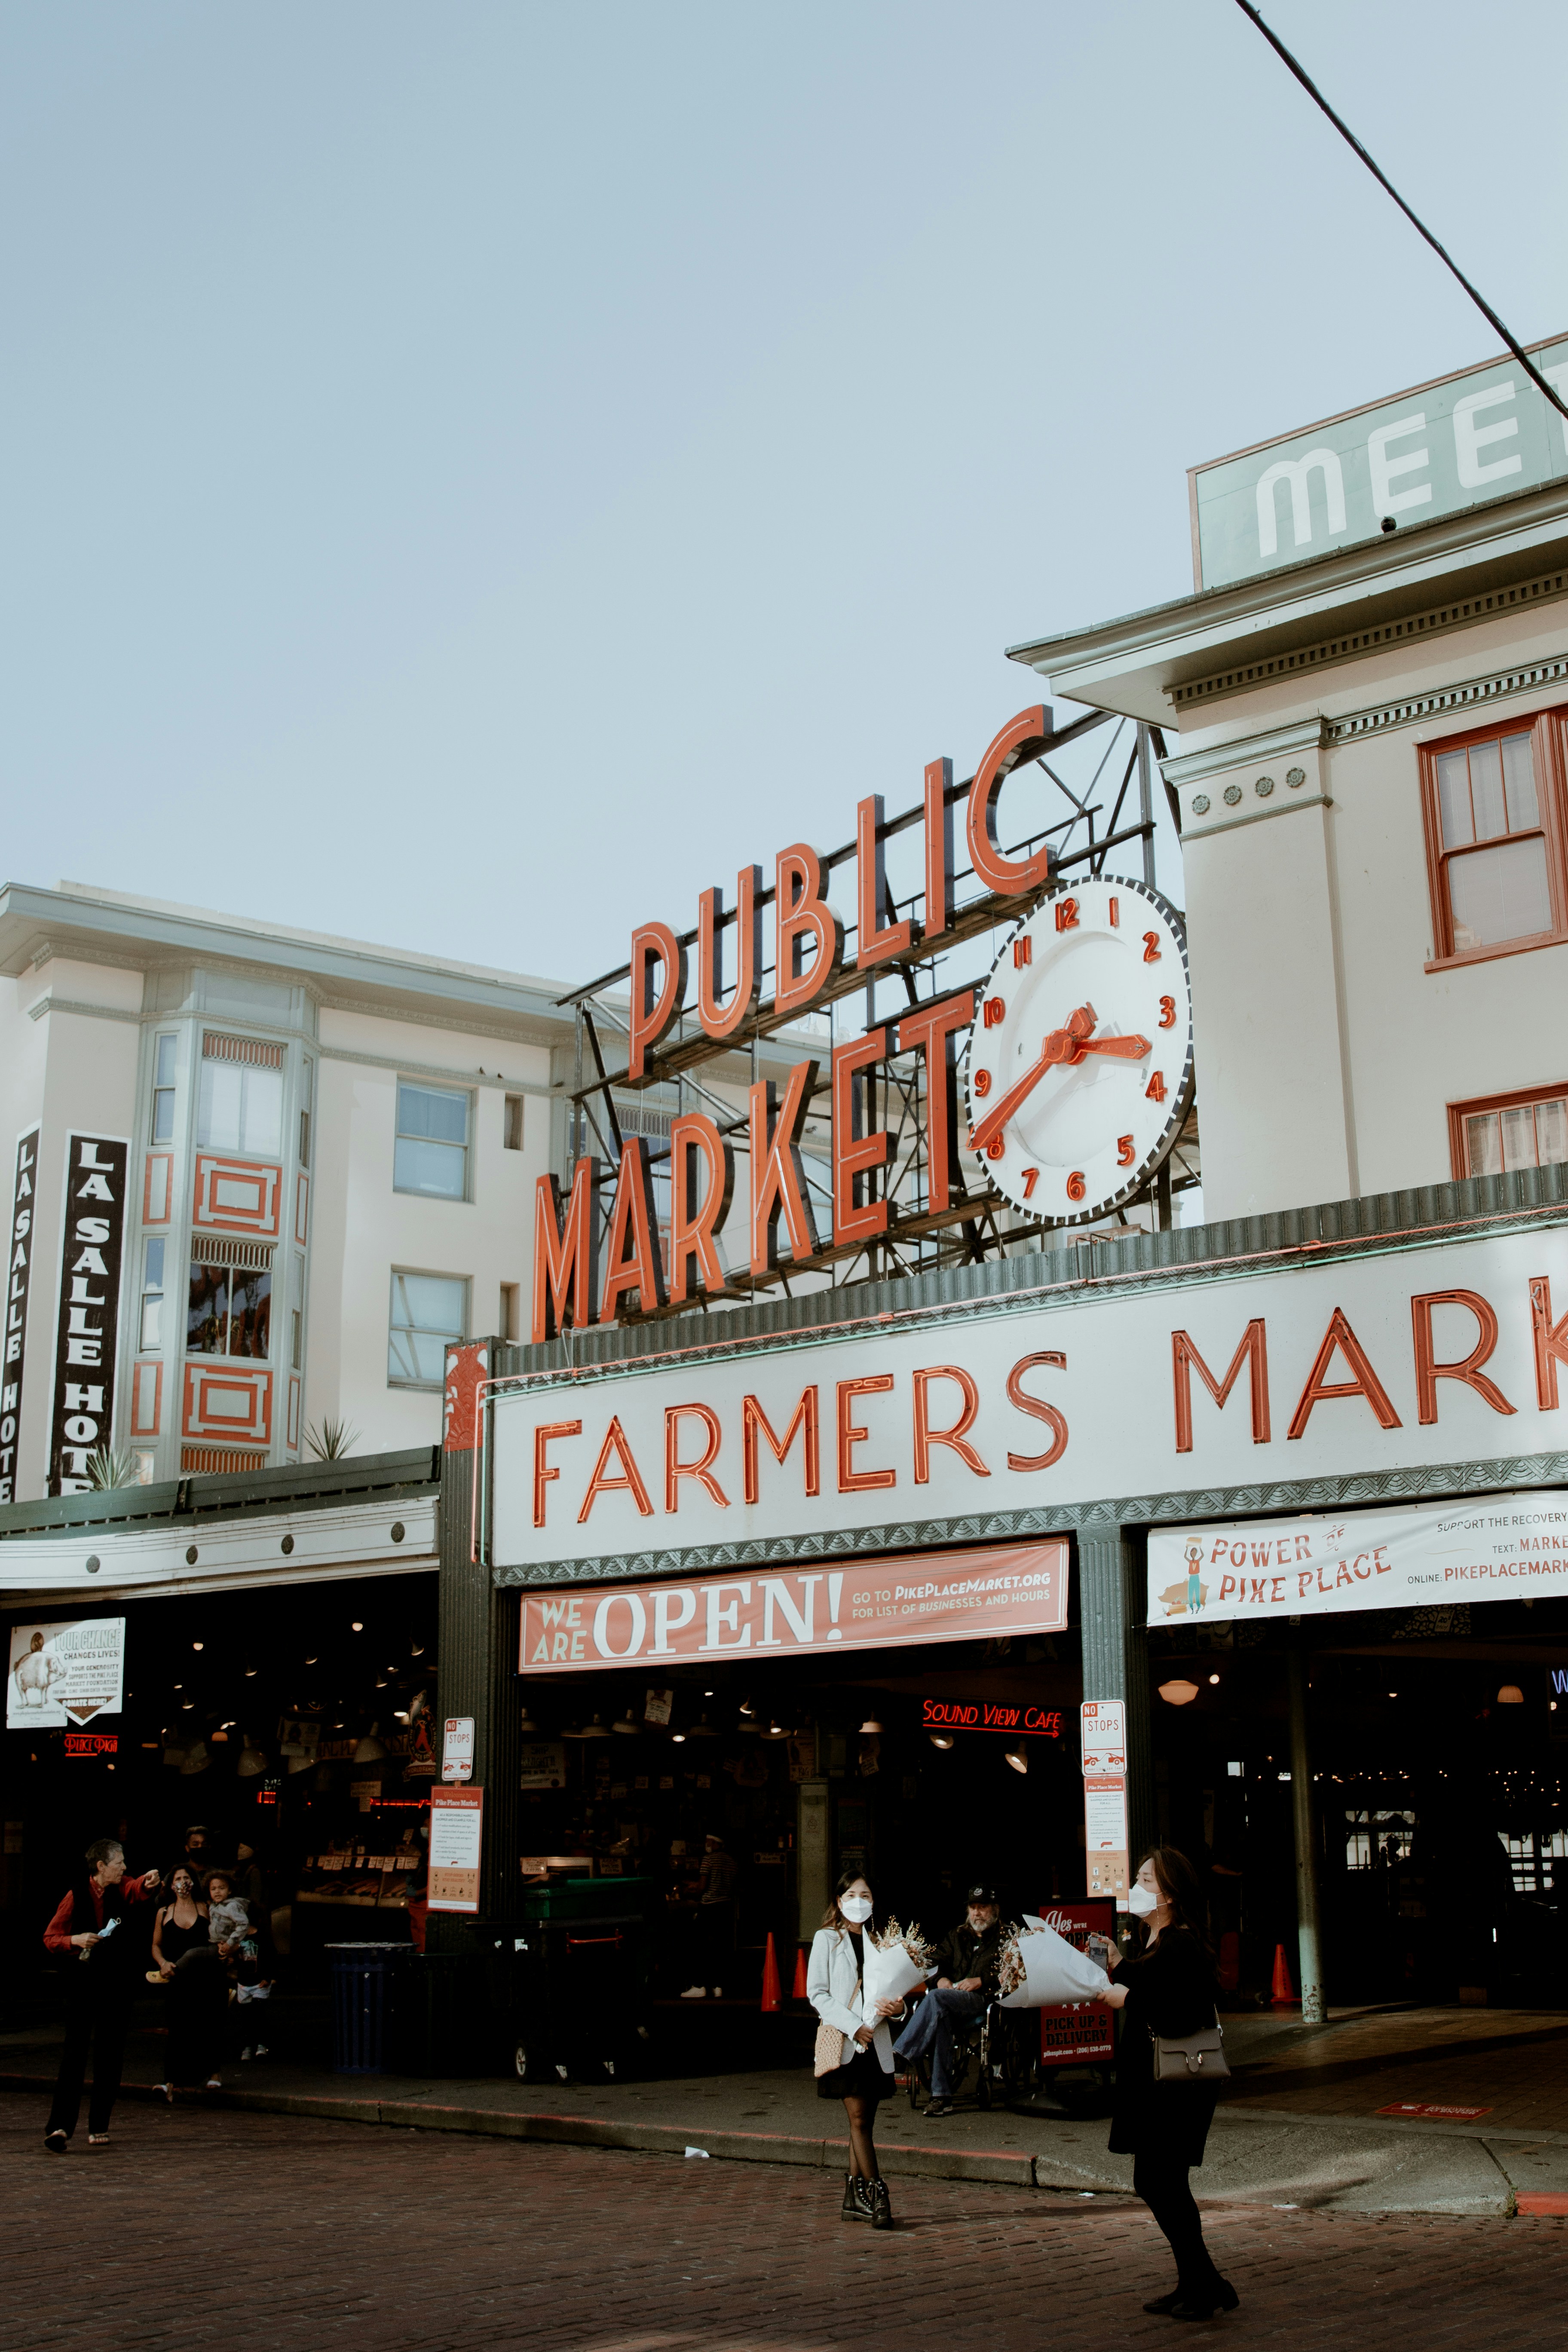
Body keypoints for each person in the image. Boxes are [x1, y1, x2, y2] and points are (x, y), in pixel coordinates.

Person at [1099, 1847, 1238, 2321]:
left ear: (1172, 1894)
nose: (1137, 1888)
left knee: (1160, 2181)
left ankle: (1205, 2283)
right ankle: (1200, 2283)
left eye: (1148, 1881)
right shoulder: (1158, 1942)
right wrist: (1119, 1964)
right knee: (1164, 2182)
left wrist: (1128, 1997)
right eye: (1137, 1878)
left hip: (1178, 2086)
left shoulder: (1180, 1942)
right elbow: (1150, 1982)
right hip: (1160, 2083)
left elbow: (1177, 2010)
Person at [42, 1835, 162, 2151]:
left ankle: (99, 2125)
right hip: (83, 1983)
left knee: (110, 2052)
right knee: (74, 2054)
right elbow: (51, 1937)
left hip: (116, 1982)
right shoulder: (77, 1894)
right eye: (119, 1863)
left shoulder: (121, 1886)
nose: (124, 1868)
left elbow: (138, 1890)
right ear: (101, 1866)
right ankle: (60, 2127)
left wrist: (149, 1883)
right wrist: (76, 1940)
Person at [806, 1870, 909, 2229]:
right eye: (850, 1895)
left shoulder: (883, 1942)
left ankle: (853, 2196)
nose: (858, 1901)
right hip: (849, 2043)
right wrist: (855, 2027)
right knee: (859, 2121)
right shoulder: (827, 1939)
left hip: (877, 2044)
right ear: (838, 1901)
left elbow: (896, 1994)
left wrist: (899, 2010)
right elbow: (817, 1994)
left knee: (864, 2122)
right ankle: (879, 2194)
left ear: (874, 1902)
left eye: (865, 1895)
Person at [893, 1882, 1004, 2119]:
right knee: (940, 2014)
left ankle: (902, 2053)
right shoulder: (957, 1936)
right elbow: (933, 1963)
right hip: (947, 2001)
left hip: (980, 2001)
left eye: (982, 1907)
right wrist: (941, 1979)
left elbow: (1011, 1972)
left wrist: (981, 1981)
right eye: (973, 1907)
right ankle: (941, 2097)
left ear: (994, 1909)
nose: (977, 1913)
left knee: (937, 1999)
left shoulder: (1004, 1939)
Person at [150, 1866, 225, 2095]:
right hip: (178, 1977)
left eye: (187, 1878)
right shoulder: (164, 1912)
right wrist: (163, 1963)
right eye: (178, 1879)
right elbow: (156, 1945)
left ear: (194, 1882)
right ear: (171, 1885)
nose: (183, 1882)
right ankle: (170, 2081)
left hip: (206, 1977)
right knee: (178, 2027)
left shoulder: (207, 1908)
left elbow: (220, 1938)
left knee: (208, 2025)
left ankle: (214, 2073)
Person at [680, 1832, 738, 2000]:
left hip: (709, 1908)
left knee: (699, 1947)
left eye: (708, 1841)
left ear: (714, 1843)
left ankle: (699, 1986)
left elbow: (703, 1887)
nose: (705, 1844)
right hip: (726, 1908)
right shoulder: (732, 1862)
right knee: (720, 1948)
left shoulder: (708, 1860)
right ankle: (718, 1986)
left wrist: (691, 1890)